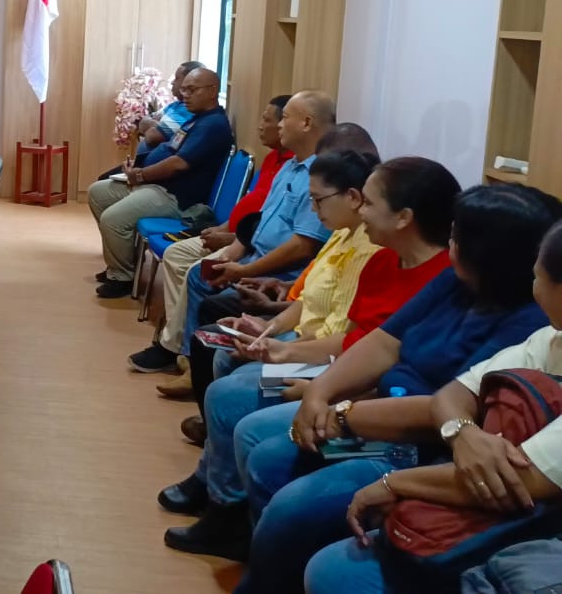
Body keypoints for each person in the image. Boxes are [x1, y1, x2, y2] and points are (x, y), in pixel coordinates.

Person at [223, 183, 560, 589]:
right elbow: (386, 344)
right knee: (256, 433)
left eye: (458, 235)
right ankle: (242, 541)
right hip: (376, 405)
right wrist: (319, 392)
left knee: (288, 497)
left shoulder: (529, 319)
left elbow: (440, 411)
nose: (449, 243)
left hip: (415, 441)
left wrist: (342, 414)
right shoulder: (453, 281)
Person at [304, 220, 562, 594]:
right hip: (467, 471)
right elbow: (453, 395)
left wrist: (394, 483)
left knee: (334, 568)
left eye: (538, 276)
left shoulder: (526, 319)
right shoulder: (550, 337)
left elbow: (521, 478)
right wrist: (463, 433)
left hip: (527, 525)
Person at [156, 150, 384, 545]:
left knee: (230, 394)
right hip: (307, 344)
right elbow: (307, 302)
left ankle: (226, 511)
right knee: (224, 353)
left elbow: (350, 341)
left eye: (319, 200)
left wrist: (282, 351)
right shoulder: (342, 233)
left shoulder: (372, 251)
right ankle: (213, 477)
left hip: (327, 363)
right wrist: (268, 328)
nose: (314, 209)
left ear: (352, 197)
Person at [129, 95, 295, 374]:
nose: (262, 126)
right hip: (236, 236)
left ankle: (176, 347)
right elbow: (255, 212)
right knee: (176, 254)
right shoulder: (277, 161)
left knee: (197, 271)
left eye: (270, 120)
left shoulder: (301, 171)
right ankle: (179, 341)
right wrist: (225, 229)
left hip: (249, 248)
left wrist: (233, 241)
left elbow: (287, 237)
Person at [86, 67, 234, 296]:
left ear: (212, 90)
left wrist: (140, 176)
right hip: (159, 185)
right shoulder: (197, 119)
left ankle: (122, 278)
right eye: (184, 89)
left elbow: (178, 164)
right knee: (98, 192)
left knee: (113, 219)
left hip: (177, 198)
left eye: (192, 90)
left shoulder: (212, 125)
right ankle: (122, 263)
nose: (185, 94)